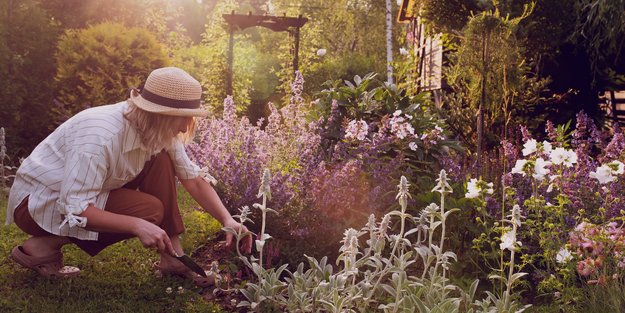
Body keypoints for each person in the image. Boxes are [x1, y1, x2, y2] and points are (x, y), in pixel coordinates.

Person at [5, 67, 252, 286]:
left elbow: (192, 179)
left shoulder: (155, 129)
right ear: (160, 114)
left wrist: (226, 219)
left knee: (163, 161)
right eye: (184, 117)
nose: (186, 127)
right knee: (148, 211)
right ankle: (45, 245)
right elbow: (76, 208)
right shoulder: (100, 137)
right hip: (38, 203)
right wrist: (136, 224)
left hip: (79, 193)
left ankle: (173, 258)